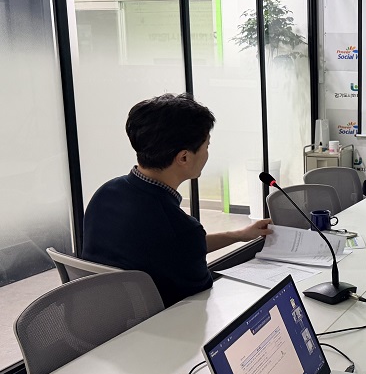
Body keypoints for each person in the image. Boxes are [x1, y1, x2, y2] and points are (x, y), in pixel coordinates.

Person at [82, 94, 271, 306]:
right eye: (207, 146)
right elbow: (201, 303)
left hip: (103, 317)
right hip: (165, 323)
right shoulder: (178, 228)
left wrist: (240, 235)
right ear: (184, 157)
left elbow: (177, 247)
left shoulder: (104, 194)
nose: (207, 154)